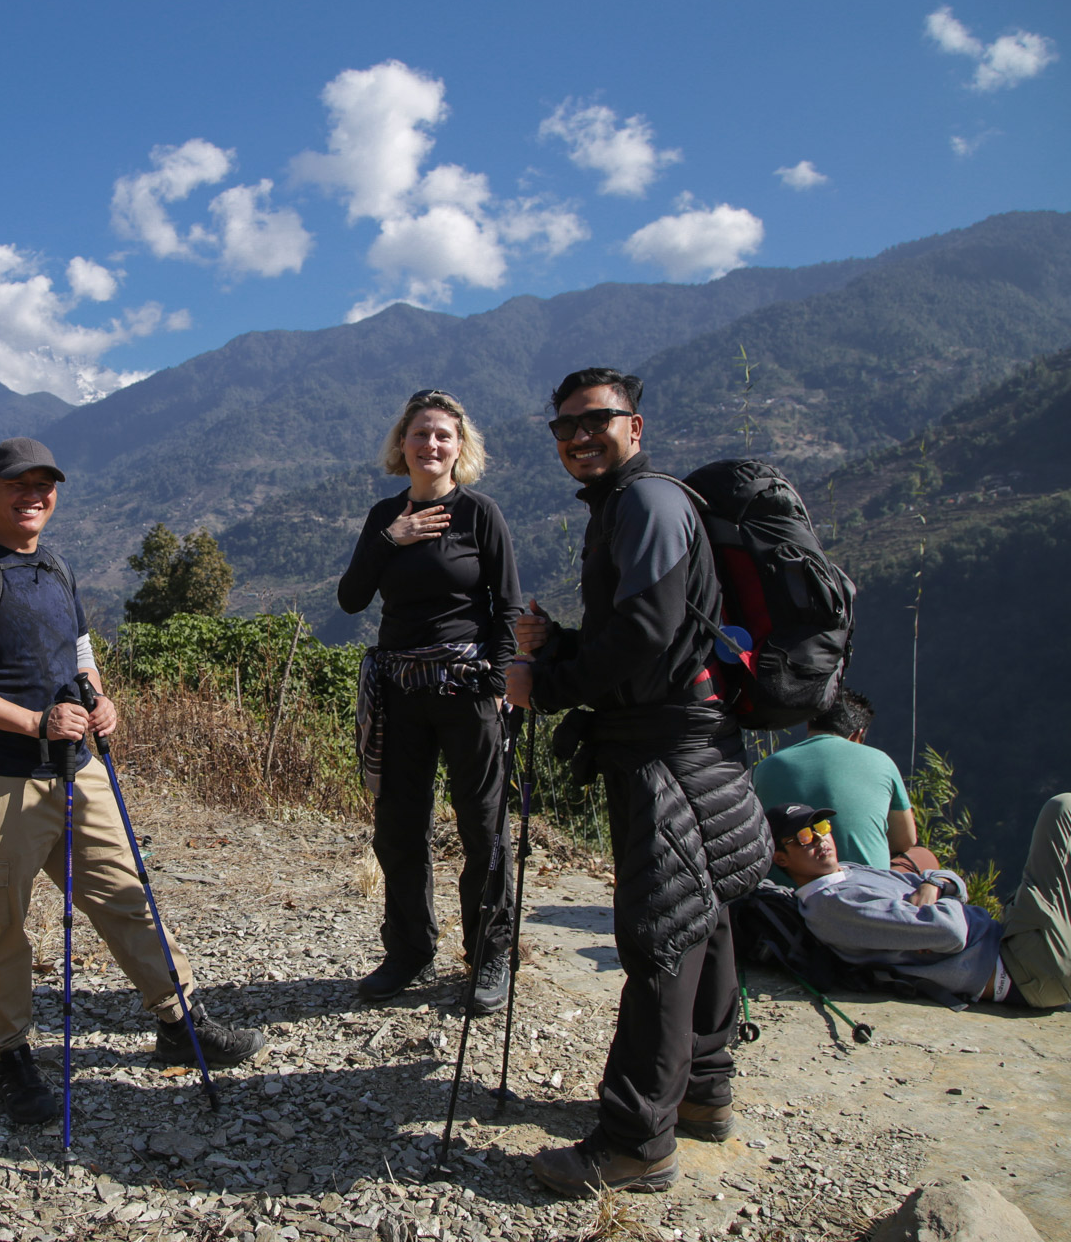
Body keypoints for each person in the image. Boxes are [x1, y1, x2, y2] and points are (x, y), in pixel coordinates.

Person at [0, 437, 264, 1126]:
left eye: (44, 485)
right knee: (1, 926)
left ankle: (178, 1020)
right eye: (16, 484)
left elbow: (79, 651)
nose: (32, 495)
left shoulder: (55, 568)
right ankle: (10, 1057)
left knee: (127, 896)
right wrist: (34, 723)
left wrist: (101, 700)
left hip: (78, 770)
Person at [503, 368, 771, 1197]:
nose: (578, 437)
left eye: (596, 421)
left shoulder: (646, 505)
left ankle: (633, 1142)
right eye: (564, 427)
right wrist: (564, 644)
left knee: (659, 937)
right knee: (707, 917)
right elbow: (650, 629)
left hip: (667, 751)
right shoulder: (632, 506)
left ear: (635, 426)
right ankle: (702, 1091)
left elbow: (649, 637)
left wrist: (542, 684)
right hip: (695, 739)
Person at [337, 389, 522, 1013]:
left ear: (459, 446)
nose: (431, 445)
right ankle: (410, 949)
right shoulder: (384, 517)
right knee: (399, 829)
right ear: (402, 444)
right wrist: (393, 537)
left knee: (483, 828)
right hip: (398, 693)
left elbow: (508, 607)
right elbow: (351, 598)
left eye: (443, 435)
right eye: (420, 434)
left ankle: (489, 952)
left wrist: (498, 684)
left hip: (468, 692)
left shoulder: (480, 514)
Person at [768, 797, 1071, 1016]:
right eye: (803, 836)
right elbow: (950, 933)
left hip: (1013, 939)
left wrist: (934, 889)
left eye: (821, 829)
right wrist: (935, 892)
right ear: (782, 859)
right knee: (1063, 809)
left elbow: (948, 880)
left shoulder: (849, 872)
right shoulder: (831, 907)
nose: (820, 840)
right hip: (1025, 972)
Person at [754, 690, 925, 884]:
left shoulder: (767, 767)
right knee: (923, 856)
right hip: (867, 887)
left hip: (784, 893)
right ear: (857, 734)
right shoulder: (881, 761)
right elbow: (905, 840)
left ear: (809, 724)